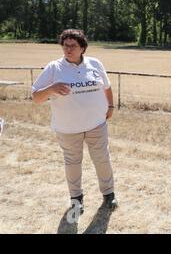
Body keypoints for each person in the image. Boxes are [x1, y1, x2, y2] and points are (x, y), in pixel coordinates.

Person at [31, 29, 118, 215]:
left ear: (82, 48)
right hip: (68, 128)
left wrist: (110, 106)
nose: (68, 49)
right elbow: (36, 97)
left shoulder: (95, 63)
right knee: (72, 163)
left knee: (102, 159)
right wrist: (52, 88)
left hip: (96, 124)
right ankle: (76, 199)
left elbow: (107, 87)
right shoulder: (54, 68)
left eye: (73, 46)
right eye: (65, 45)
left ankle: (109, 195)